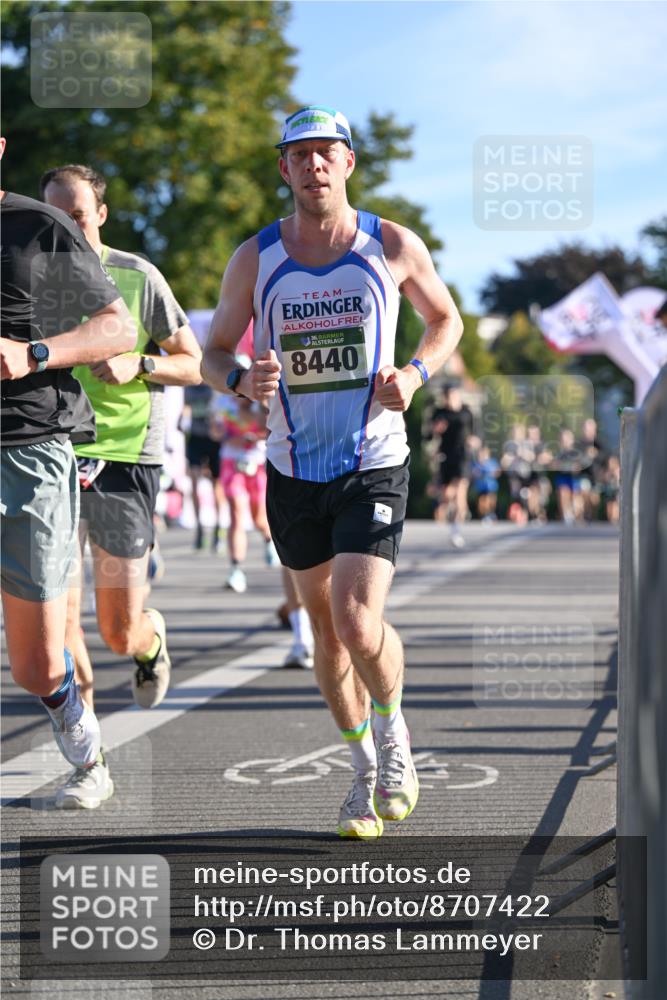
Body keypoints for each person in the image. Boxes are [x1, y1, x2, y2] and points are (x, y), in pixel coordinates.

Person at [202, 106, 463, 838]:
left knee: (356, 618)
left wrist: (414, 374)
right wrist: (237, 383)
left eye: (328, 152)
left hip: (372, 459)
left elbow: (446, 320)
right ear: (283, 168)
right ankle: (356, 775)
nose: (315, 164)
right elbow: (215, 350)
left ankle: (393, 738)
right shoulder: (255, 258)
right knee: (324, 632)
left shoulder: (392, 244)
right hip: (290, 467)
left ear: (348, 163)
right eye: (300, 154)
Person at [41, 164, 201, 809]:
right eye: (54, 215)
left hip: (125, 460)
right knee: (59, 624)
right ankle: (91, 763)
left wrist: (141, 362)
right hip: (49, 454)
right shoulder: (27, 275)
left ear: (99, 216)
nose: (66, 227)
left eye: (77, 215)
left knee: (116, 630)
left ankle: (150, 639)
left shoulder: (138, 276)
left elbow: (195, 364)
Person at [0, 137, 137, 777]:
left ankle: (72, 715)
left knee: (37, 665)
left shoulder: (39, 226)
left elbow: (118, 327)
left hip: (26, 448)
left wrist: (34, 354)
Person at [211, 392, 280, 593]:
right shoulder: (222, 403)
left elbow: (270, 429)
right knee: (236, 514)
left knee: (258, 518)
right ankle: (236, 569)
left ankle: (268, 540)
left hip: (255, 464)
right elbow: (214, 431)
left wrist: (252, 436)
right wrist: (225, 435)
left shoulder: (259, 404)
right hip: (231, 464)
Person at [179, 382, 226, 551]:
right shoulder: (189, 386)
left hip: (213, 440)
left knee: (216, 485)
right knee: (193, 482)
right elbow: (186, 406)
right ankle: (199, 527)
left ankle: (218, 528)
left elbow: (221, 410)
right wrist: (181, 420)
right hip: (195, 438)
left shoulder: (212, 384)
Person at [428, 384, 473, 546]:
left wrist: (476, 441)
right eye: (447, 397)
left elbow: (475, 431)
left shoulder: (466, 411)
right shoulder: (439, 413)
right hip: (446, 455)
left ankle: (456, 530)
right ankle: (455, 517)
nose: (450, 400)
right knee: (447, 494)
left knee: (460, 491)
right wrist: (436, 430)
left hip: (462, 455)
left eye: (452, 396)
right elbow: (428, 436)